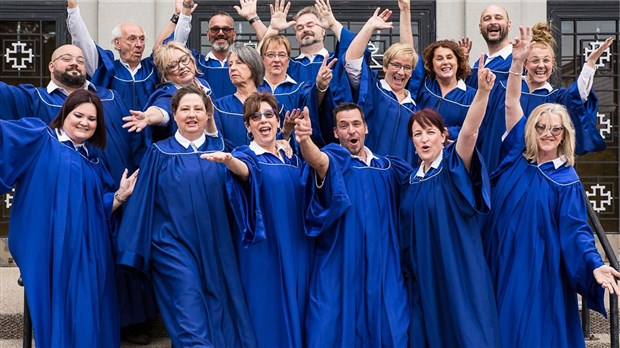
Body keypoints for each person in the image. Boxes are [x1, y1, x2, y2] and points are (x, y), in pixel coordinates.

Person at [483, 26, 620, 347]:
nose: (547, 133)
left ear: (565, 134)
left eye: (555, 129)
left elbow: (576, 230)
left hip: (542, 270)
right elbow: (511, 101)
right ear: (532, 129)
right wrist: (516, 63)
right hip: (501, 260)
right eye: (541, 126)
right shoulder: (515, 155)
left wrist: (595, 263)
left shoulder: (566, 180)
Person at [116, 85, 257, 347]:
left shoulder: (224, 151)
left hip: (217, 248)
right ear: (175, 114)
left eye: (198, 109)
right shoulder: (159, 153)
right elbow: (143, 204)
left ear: (207, 114)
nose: (192, 115)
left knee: (222, 315)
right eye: (185, 109)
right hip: (173, 248)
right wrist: (132, 251)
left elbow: (248, 189)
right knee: (188, 312)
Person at [0, 90, 138, 348]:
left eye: (92, 119)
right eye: (78, 115)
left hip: (88, 252)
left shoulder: (94, 160)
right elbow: (4, 138)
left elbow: (98, 207)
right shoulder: (40, 138)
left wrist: (120, 195)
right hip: (48, 247)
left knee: (89, 310)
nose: (85, 122)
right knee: (58, 309)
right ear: (64, 114)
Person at [399, 56, 500, 347]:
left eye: (430, 132)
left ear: (444, 136)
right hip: (423, 277)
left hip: (458, 270)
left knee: (465, 331)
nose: (424, 139)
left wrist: (481, 93)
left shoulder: (454, 166)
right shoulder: (409, 181)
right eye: (417, 134)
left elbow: (469, 133)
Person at [294, 102, 410, 347]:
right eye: (344, 126)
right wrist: (305, 140)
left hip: (383, 265)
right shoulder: (336, 161)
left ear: (366, 128)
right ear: (336, 132)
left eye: (356, 124)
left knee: (393, 329)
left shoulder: (388, 167)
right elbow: (319, 161)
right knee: (330, 328)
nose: (351, 131)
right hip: (341, 261)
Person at [202, 92, 311, 347]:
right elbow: (245, 170)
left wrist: (289, 140)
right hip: (265, 250)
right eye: (255, 116)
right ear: (247, 126)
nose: (263, 120)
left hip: (296, 245)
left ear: (277, 120)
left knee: (298, 305)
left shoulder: (292, 156)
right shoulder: (246, 154)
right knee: (266, 311)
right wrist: (229, 160)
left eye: (268, 114)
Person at [0, 44, 145, 184]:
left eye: (80, 61)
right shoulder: (35, 99)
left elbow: (134, 139)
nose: (74, 63)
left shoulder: (111, 97)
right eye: (66, 59)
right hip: (63, 194)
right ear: (51, 66)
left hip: (119, 193)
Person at [478, 22, 609, 172]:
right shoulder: (501, 89)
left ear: (553, 64)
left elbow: (577, 96)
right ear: (525, 63)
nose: (541, 66)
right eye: (535, 60)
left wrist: (589, 65)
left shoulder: (555, 98)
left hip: (536, 174)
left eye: (546, 60)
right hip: (498, 164)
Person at [66, 0, 184, 111]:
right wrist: (73, 7)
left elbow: (169, 46)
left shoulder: (152, 69)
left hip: (149, 131)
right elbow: (83, 41)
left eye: (142, 39)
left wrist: (179, 16)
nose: (139, 44)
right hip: (116, 131)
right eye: (132, 39)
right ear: (117, 43)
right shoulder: (107, 69)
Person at [344, 4, 420, 165]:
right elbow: (351, 61)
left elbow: (411, 53)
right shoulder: (373, 90)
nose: (401, 72)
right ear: (385, 66)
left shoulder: (414, 106)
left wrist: (406, 11)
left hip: (402, 177)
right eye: (396, 65)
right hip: (370, 170)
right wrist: (369, 27)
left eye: (407, 68)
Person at [121, 41, 213, 141]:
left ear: (192, 60)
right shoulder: (168, 93)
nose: (181, 67)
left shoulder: (204, 85)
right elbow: (162, 110)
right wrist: (148, 117)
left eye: (184, 60)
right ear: (166, 75)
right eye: (173, 66)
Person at [259, 34, 335, 146]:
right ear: (262, 59)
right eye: (270, 55)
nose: (276, 60)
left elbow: (314, 105)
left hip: (295, 153)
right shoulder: (254, 90)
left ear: (288, 61)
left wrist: (320, 86)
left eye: (282, 55)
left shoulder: (300, 90)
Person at [408, 39, 477, 140]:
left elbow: (475, 128)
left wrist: (448, 132)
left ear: (458, 62)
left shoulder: (471, 96)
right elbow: (410, 52)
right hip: (418, 149)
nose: (445, 62)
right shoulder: (424, 85)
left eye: (449, 57)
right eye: (439, 59)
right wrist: (405, 22)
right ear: (431, 64)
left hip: (451, 152)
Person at [173, 0, 240, 97]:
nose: (221, 33)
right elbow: (178, 45)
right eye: (215, 29)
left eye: (226, 29)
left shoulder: (244, 64)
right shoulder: (196, 63)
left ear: (234, 34)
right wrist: (186, 10)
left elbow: (267, 50)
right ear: (208, 34)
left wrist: (253, 18)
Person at [211, 45, 265, 149]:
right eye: (230, 65)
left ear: (253, 66)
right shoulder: (219, 106)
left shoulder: (270, 105)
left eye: (239, 63)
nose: (233, 68)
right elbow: (217, 141)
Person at [464, 4, 513, 89]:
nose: (493, 22)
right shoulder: (479, 64)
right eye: (487, 19)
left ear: (509, 25)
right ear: (480, 28)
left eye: (498, 18)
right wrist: (462, 63)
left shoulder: (517, 61)